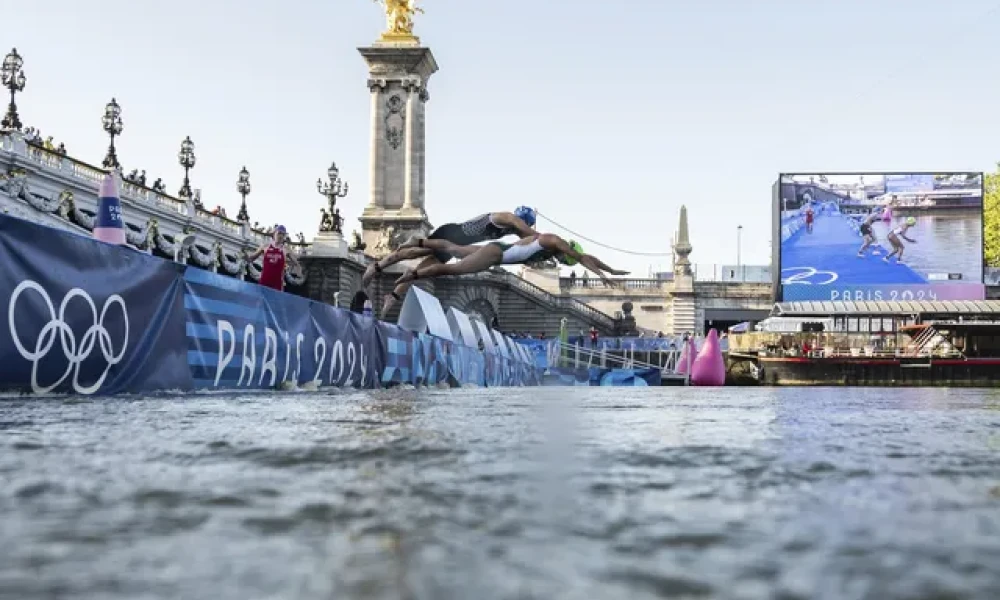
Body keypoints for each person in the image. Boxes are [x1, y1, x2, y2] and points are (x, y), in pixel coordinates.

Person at [361, 207, 539, 313]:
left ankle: (392, 296)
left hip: (455, 246)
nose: (524, 229)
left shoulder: (509, 230)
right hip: (451, 233)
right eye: (526, 225)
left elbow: (521, 246)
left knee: (419, 272)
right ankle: (376, 266)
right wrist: (544, 239)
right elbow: (529, 234)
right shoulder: (506, 217)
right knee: (413, 252)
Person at [392, 232, 629, 288]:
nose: (560, 261)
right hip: (496, 255)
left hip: (498, 250)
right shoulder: (552, 241)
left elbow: (588, 256)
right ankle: (411, 275)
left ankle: (419, 241)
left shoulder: (549, 246)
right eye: (565, 259)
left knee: (454, 248)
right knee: (452, 270)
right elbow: (582, 257)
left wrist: (611, 269)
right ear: (566, 252)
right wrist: (601, 274)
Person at [246, 225, 299, 291]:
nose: (281, 236)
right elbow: (251, 258)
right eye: (279, 233)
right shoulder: (265, 246)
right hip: (264, 282)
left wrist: (287, 264)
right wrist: (245, 256)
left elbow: (296, 263)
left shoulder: (286, 249)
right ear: (274, 234)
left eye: (283, 234)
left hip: (277, 285)